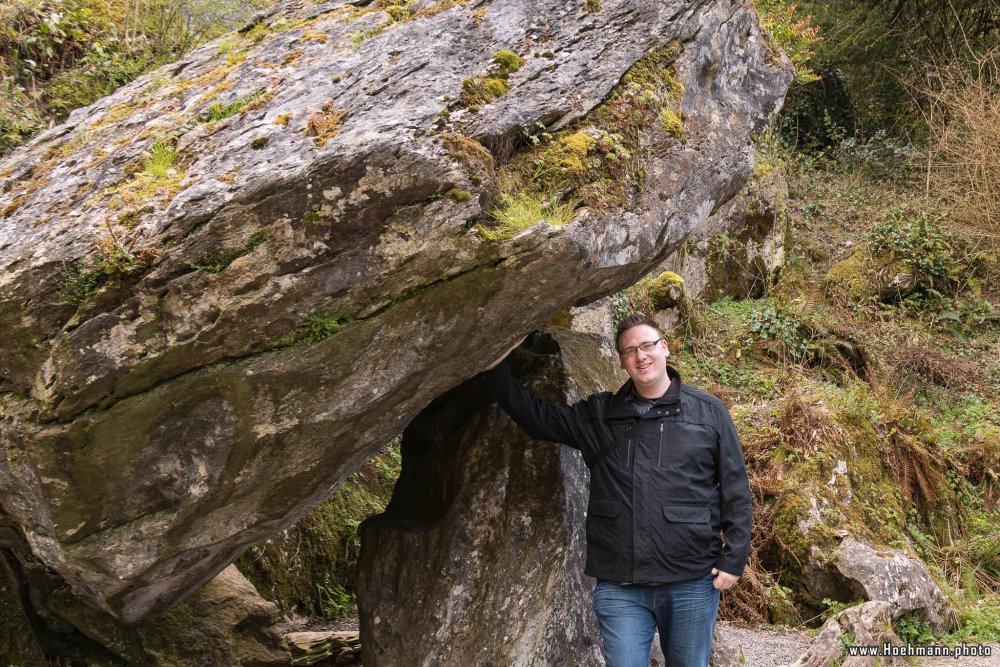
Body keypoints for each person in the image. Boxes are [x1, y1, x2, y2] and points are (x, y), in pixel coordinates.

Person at [480, 313, 752, 667]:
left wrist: (733, 560)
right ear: (622, 361)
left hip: (691, 582)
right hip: (621, 586)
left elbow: (735, 489)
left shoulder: (709, 413)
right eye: (630, 351)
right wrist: (493, 368)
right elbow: (537, 418)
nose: (641, 356)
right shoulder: (599, 417)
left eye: (648, 345)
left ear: (664, 347)